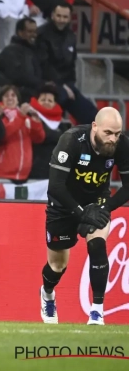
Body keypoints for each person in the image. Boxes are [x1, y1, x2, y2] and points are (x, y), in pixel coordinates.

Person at [42, 107, 129, 325]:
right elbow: (56, 186)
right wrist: (81, 213)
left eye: (117, 134)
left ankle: (97, 311)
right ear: (95, 127)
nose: (113, 139)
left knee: (97, 245)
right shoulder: (71, 140)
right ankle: (47, 293)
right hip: (64, 204)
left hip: (96, 202)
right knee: (57, 266)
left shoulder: (122, 145)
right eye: (108, 133)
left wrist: (105, 208)